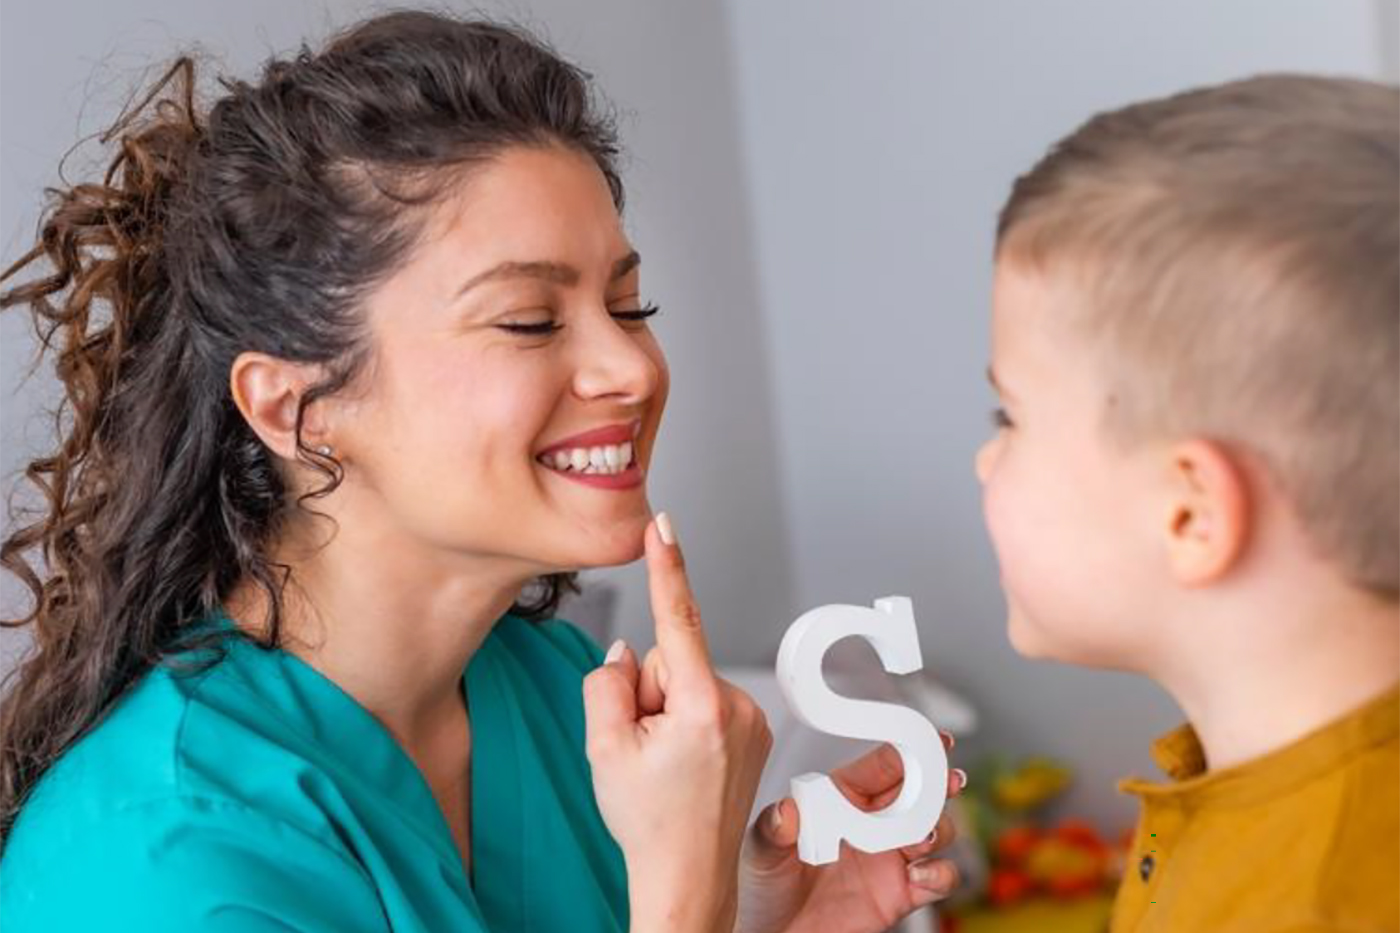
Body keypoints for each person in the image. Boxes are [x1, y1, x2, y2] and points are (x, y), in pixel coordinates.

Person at [0, 11, 961, 931]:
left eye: (630, 308)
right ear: (297, 408)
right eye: (530, 321)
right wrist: (685, 896)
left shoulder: (569, 698)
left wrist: (753, 917)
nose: (632, 367)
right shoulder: (165, 858)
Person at [977, 74, 1399, 931]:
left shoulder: (1316, 901)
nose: (987, 460)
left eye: (1009, 416)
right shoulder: (1282, 793)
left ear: (1190, 513)